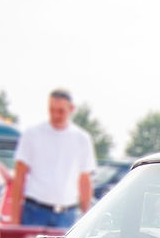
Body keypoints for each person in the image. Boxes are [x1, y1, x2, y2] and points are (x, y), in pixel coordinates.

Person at [8, 89, 96, 229]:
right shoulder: (32, 134)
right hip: (34, 211)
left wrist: (88, 220)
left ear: (71, 109)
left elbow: (85, 180)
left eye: (60, 111)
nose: (55, 115)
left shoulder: (82, 139)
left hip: (67, 214)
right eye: (52, 110)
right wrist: (14, 220)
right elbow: (19, 176)